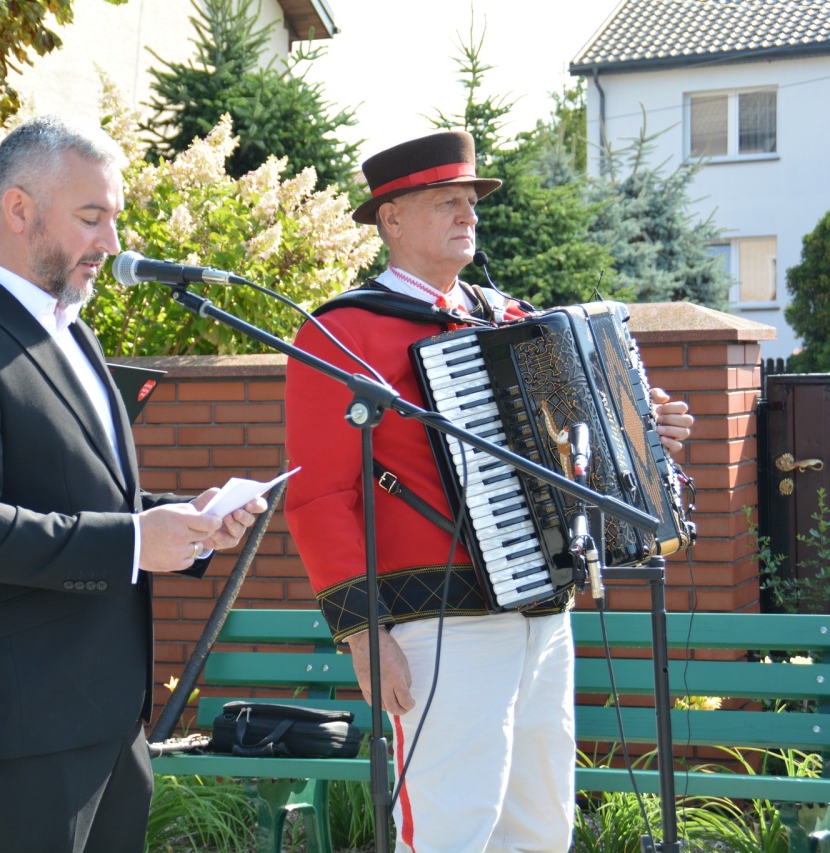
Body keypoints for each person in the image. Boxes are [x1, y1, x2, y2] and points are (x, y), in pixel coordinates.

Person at [284, 130, 694, 853]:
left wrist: (643, 435)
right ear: (392, 219)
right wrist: (363, 630)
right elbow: (320, 496)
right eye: (447, 201)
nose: (467, 214)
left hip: (543, 609)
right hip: (439, 619)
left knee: (541, 825)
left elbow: (574, 451)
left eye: (470, 200)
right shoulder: (340, 332)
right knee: (450, 828)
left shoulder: (510, 318)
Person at [0, 114, 267, 853]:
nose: (112, 244)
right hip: (21, 729)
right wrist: (132, 542)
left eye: (114, 219)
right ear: (18, 209)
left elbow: (89, 501)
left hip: (112, 721)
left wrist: (184, 519)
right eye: (92, 218)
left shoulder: (75, 330)